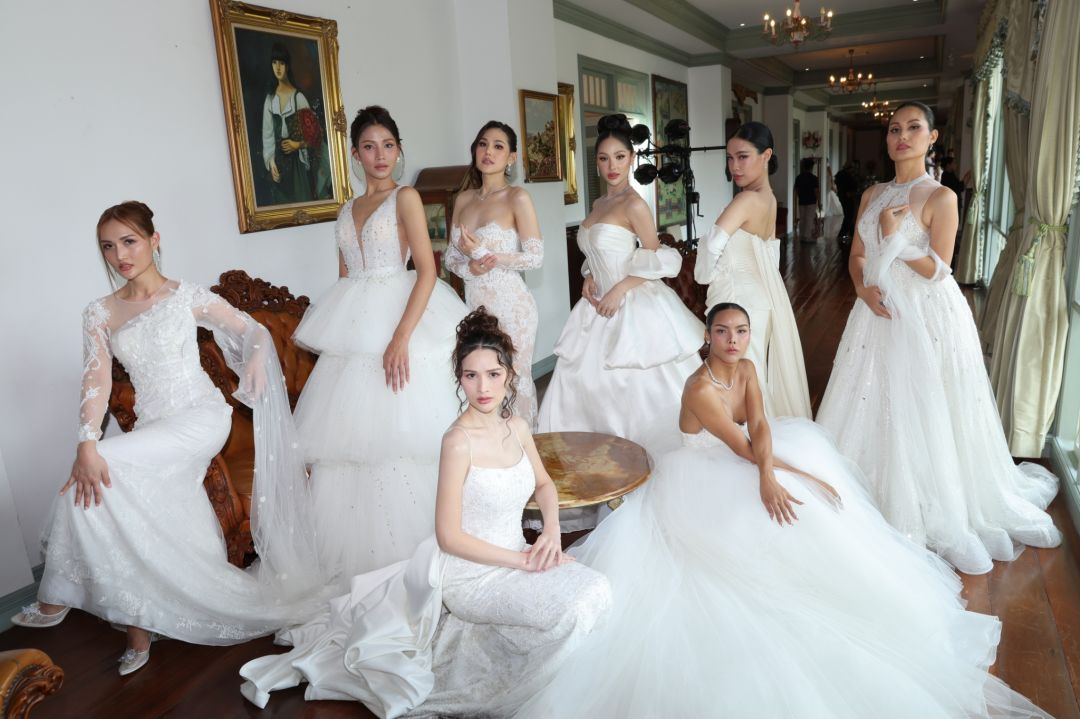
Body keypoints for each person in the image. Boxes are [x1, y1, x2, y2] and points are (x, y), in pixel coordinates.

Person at [514, 303, 1053, 719]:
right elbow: (738, 445)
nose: (732, 340)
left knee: (810, 489)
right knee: (774, 510)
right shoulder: (698, 388)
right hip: (703, 470)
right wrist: (774, 476)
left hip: (750, 456)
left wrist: (781, 471)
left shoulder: (747, 368)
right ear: (707, 337)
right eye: (722, 332)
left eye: (741, 331)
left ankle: (842, 588)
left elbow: (760, 425)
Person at [239, 309, 611, 718]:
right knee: (573, 610)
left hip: (516, 554)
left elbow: (544, 486)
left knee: (599, 589)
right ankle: (530, 691)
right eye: (471, 376)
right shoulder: (457, 441)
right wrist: (522, 562)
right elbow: (449, 537)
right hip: (471, 576)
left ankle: (543, 674)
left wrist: (551, 532)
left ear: (509, 374)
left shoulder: (518, 427)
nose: (483, 387)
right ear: (459, 378)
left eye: (493, 374)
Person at [11, 202, 322, 675]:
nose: (120, 255)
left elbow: (253, 331)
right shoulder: (99, 312)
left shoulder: (186, 296)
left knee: (99, 471)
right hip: (154, 425)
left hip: (200, 417)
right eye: (108, 246)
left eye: (129, 241)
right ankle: (139, 629)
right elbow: (96, 379)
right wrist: (85, 442)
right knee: (118, 495)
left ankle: (55, 599)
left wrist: (258, 357)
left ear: (154, 241)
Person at [816, 102, 1060, 575]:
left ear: (931, 138)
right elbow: (857, 253)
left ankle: (928, 501)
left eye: (914, 128)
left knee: (924, 399)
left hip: (925, 312)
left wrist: (895, 238)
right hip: (876, 308)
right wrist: (862, 289)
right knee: (869, 393)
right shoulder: (872, 194)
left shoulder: (941, 197)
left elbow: (938, 269)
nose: (901, 136)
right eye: (894, 129)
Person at [291, 106, 468, 585]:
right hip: (356, 325)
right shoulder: (345, 209)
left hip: (400, 315)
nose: (380, 155)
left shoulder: (405, 197)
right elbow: (345, 277)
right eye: (369, 147)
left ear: (399, 149)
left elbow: (428, 271)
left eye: (388, 145)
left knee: (403, 438)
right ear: (355, 155)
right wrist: (345, 336)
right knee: (353, 448)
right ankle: (359, 561)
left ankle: (420, 558)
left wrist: (400, 337)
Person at [537, 114, 704, 462]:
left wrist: (620, 289)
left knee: (633, 389)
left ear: (631, 158)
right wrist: (590, 275)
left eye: (619, 157)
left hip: (631, 302)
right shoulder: (599, 204)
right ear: (596, 162)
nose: (611, 166)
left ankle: (638, 461)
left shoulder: (634, 204)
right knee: (586, 385)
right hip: (596, 304)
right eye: (603, 158)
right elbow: (600, 252)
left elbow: (658, 259)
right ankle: (594, 462)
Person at [694, 121, 811, 418]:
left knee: (738, 382)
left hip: (737, 301)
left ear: (766, 155)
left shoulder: (746, 199)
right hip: (758, 303)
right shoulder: (769, 199)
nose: (734, 166)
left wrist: (704, 276)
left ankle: (751, 439)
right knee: (751, 377)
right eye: (730, 158)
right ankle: (757, 436)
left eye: (743, 156)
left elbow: (711, 247)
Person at [444, 121, 542, 427]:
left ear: (511, 157)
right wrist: (470, 267)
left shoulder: (517, 197)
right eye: (483, 144)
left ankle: (523, 446)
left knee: (512, 381)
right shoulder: (463, 199)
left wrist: (486, 255)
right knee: (481, 384)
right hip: (475, 307)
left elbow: (535, 257)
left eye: (498, 146)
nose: (488, 151)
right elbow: (450, 257)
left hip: (513, 307)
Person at [262, 42, 319, 204]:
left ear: (287, 66)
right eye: (274, 63)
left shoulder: (298, 98)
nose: (278, 68)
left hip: (297, 165)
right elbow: (267, 136)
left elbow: (314, 136)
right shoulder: (270, 99)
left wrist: (297, 145)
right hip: (279, 165)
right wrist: (271, 162)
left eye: (281, 63)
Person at [793, 157, 820, 244]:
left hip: (802, 201)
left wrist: (799, 197)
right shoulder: (814, 178)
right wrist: (819, 202)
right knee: (809, 219)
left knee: (803, 219)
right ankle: (807, 237)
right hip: (811, 201)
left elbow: (796, 191)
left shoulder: (799, 177)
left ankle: (802, 236)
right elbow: (816, 191)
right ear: (811, 167)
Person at [834, 160, 858, 241]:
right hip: (847, 196)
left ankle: (851, 233)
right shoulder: (847, 175)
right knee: (849, 216)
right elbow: (852, 186)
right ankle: (842, 234)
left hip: (842, 196)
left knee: (848, 215)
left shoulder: (840, 174)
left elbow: (837, 183)